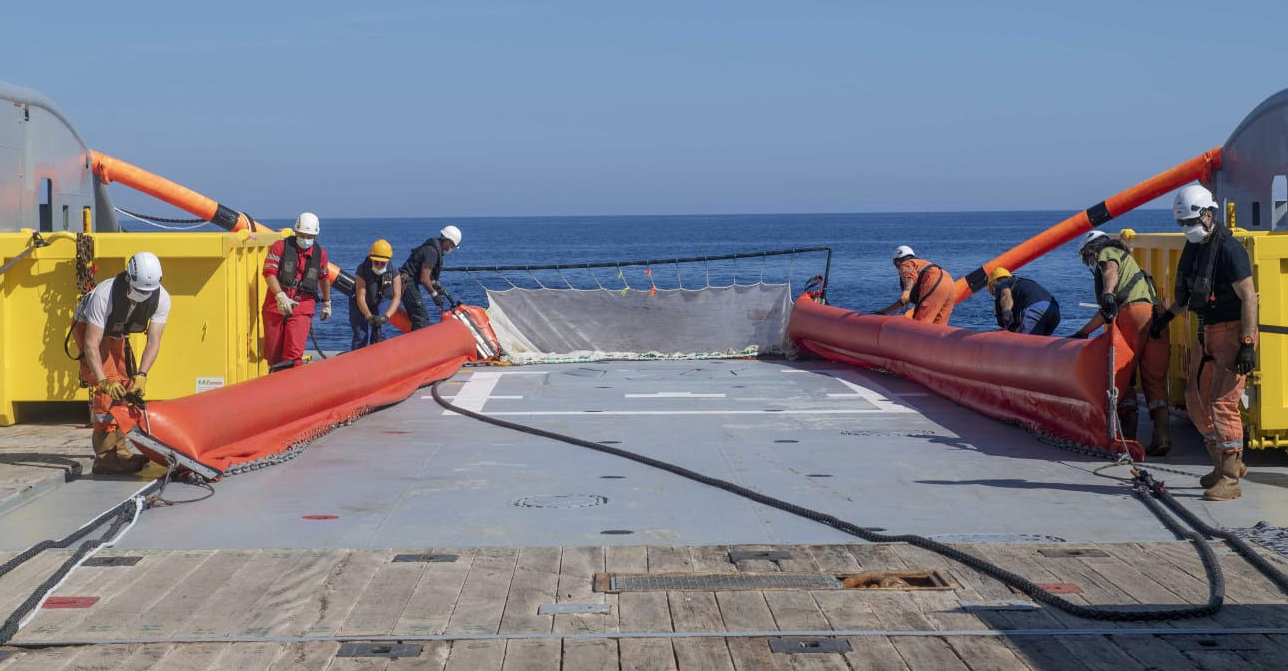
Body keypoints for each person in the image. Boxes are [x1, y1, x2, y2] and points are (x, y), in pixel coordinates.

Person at [1150, 185, 1258, 501]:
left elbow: (1249, 297)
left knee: (1223, 402)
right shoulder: (1195, 247)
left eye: (1191, 222)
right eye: (1182, 224)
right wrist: (1166, 317)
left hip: (1233, 330)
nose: (1187, 229)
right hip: (1207, 330)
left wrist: (1247, 343)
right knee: (1196, 400)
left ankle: (1230, 479)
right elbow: (1186, 295)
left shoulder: (1229, 250)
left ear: (1208, 215)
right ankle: (1224, 465)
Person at [1069, 229, 1171, 455]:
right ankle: (1161, 436)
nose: (1089, 259)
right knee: (1154, 379)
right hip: (1157, 318)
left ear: (1094, 248)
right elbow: (1105, 314)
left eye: (1088, 254)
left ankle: (1128, 437)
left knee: (1123, 374)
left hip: (1133, 314)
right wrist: (1084, 332)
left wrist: (1106, 293)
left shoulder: (1108, 253)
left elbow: (1110, 272)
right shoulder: (1132, 266)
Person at [71, 252, 169, 474]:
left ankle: (121, 451)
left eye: (148, 292)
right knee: (109, 390)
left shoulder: (162, 298)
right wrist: (103, 380)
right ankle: (105, 458)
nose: (143, 296)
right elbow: (91, 344)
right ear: (128, 278)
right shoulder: (105, 296)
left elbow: (154, 341)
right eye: (139, 291)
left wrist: (142, 374)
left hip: (116, 333)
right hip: (90, 329)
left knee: (126, 385)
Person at [263, 212, 331, 371]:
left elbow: (324, 278)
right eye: (302, 234)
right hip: (276, 305)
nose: (306, 239)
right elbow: (269, 272)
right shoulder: (280, 247)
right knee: (273, 354)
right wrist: (280, 295)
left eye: (310, 236)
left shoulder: (320, 254)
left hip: (303, 306)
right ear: (296, 232)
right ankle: (276, 386)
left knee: (293, 354)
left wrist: (327, 302)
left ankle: (292, 389)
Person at [399, 225, 461, 330]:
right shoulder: (432, 252)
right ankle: (418, 343)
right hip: (407, 283)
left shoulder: (432, 249)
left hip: (408, 281)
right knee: (421, 318)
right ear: (447, 242)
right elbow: (424, 278)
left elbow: (428, 275)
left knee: (419, 316)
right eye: (452, 246)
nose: (451, 249)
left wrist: (435, 285)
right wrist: (434, 294)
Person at [877, 246, 954, 325]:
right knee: (938, 326)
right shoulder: (920, 264)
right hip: (950, 282)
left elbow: (909, 276)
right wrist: (884, 312)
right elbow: (904, 301)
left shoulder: (906, 264)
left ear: (897, 261)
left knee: (920, 324)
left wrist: (906, 291)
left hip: (934, 281)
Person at [350, 239, 402, 350]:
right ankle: (357, 362)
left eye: (382, 263)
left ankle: (379, 361)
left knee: (380, 333)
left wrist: (386, 316)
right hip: (361, 302)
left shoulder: (393, 271)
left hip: (381, 299)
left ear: (388, 261)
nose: (379, 265)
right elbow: (360, 298)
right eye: (376, 262)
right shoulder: (362, 270)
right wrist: (369, 316)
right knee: (361, 335)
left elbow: (397, 297)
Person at [987, 267, 1060, 336]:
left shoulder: (1000, 284)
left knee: (1021, 345)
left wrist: (1006, 310)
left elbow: (1005, 294)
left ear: (992, 283)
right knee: (1039, 345)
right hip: (1054, 310)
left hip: (1036, 309)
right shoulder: (1021, 283)